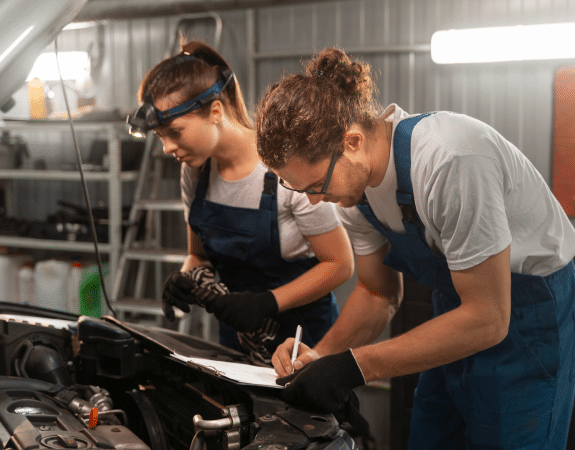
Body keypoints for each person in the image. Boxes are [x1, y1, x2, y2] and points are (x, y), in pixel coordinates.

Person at [256, 47, 575, 449]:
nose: (317, 201)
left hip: (528, 320)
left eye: (317, 186)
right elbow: (378, 293)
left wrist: (357, 366)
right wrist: (318, 358)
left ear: (351, 142)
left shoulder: (450, 160)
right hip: (456, 309)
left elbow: (490, 318)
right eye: (302, 191)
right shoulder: (353, 193)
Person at [127, 41, 354, 359]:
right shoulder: (196, 172)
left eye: (174, 132)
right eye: (160, 136)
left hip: (304, 341)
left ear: (215, 111)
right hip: (237, 341)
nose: (166, 147)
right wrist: (184, 278)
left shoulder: (284, 166)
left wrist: (267, 302)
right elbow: (199, 254)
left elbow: (340, 265)